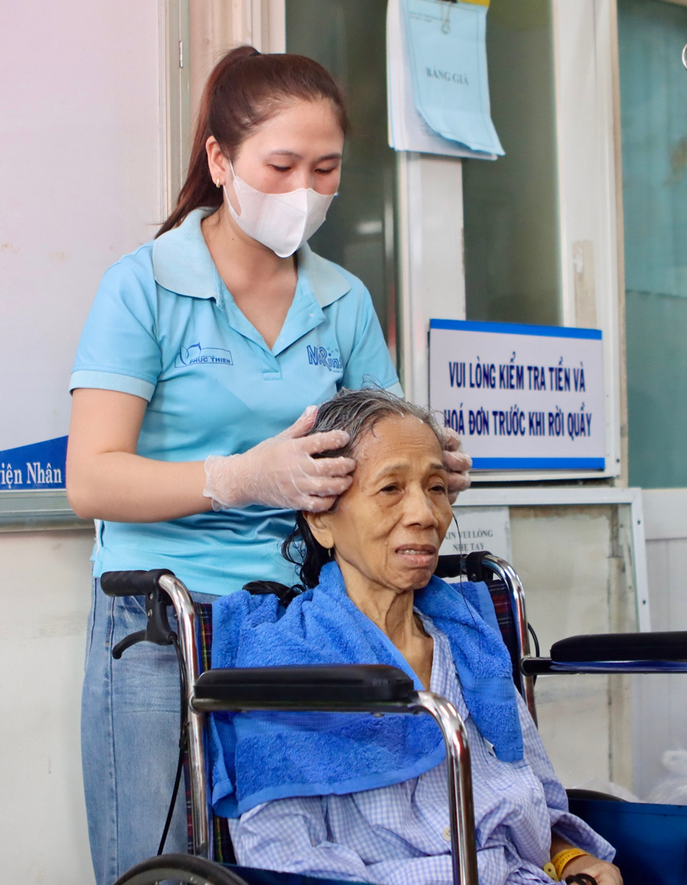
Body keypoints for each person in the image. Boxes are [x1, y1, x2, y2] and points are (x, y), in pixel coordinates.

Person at [66, 46, 471, 883]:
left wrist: (429, 467)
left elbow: (384, 441)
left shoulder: (342, 301)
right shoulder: (144, 287)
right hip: (163, 624)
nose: (304, 192)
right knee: (163, 866)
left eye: (325, 170)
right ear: (220, 160)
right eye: (281, 167)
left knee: (305, 864)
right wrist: (240, 479)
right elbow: (92, 478)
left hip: (305, 625)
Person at [211, 388, 622, 885]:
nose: (426, 514)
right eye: (390, 489)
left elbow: (532, 806)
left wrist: (572, 860)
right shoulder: (288, 660)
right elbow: (284, 859)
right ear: (321, 519)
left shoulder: (468, 644)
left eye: (436, 488)